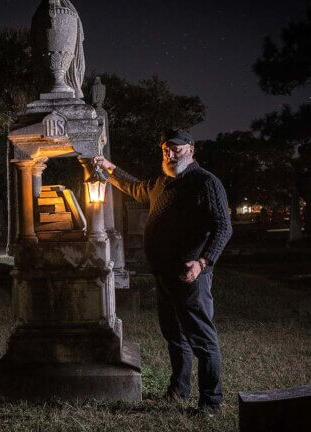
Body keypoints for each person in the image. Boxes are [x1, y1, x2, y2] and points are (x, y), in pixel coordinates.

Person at [94, 129, 232, 414]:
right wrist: (110, 168)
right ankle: (178, 391)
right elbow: (135, 187)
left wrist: (203, 262)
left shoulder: (205, 182)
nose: (170, 154)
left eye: (176, 149)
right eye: (165, 150)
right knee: (175, 336)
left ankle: (211, 402)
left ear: (191, 149)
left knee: (202, 339)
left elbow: (223, 226)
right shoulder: (162, 183)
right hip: (164, 275)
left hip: (191, 276)